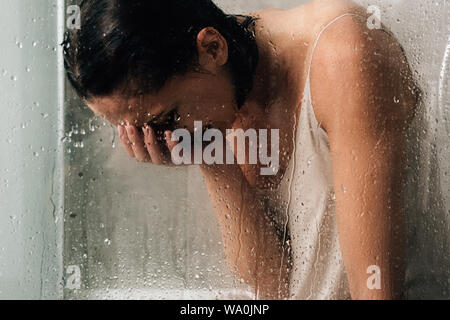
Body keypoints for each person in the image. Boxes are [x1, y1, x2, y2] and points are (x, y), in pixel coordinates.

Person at [63, 0, 421, 299]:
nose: (161, 139)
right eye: (138, 129)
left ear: (212, 48)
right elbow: (278, 289)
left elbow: (377, 294)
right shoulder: (223, 101)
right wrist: (208, 155)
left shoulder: (346, 60)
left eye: (165, 119)